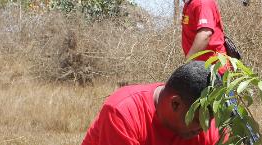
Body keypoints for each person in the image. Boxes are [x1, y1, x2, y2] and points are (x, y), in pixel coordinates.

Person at [81, 61, 221, 145]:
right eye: (198, 120)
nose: (205, 128)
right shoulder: (123, 112)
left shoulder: (205, 124)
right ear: (175, 104)